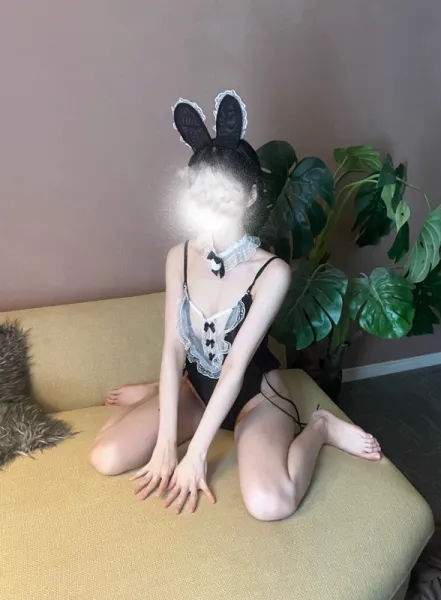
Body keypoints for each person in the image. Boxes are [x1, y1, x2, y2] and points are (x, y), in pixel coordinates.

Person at [90, 91, 381, 520]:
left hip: (253, 397)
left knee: (271, 503)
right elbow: (173, 350)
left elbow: (234, 368)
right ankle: (154, 392)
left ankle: (319, 427)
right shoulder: (178, 256)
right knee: (105, 457)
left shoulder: (272, 272)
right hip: (195, 389)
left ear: (250, 195)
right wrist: (167, 444)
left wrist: (196, 455)